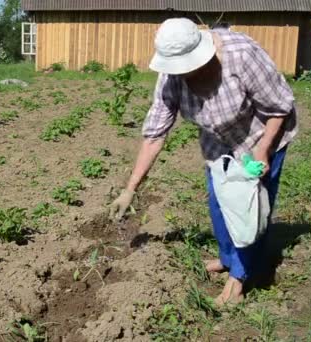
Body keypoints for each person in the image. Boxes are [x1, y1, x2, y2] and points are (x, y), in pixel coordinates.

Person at [109, 18, 297, 305]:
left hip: (260, 135)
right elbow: (154, 135)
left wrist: (263, 150)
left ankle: (241, 277)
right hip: (217, 143)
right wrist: (130, 188)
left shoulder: (241, 55)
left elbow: (279, 106)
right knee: (220, 203)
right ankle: (227, 258)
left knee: (249, 210)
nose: (183, 73)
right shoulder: (171, 75)